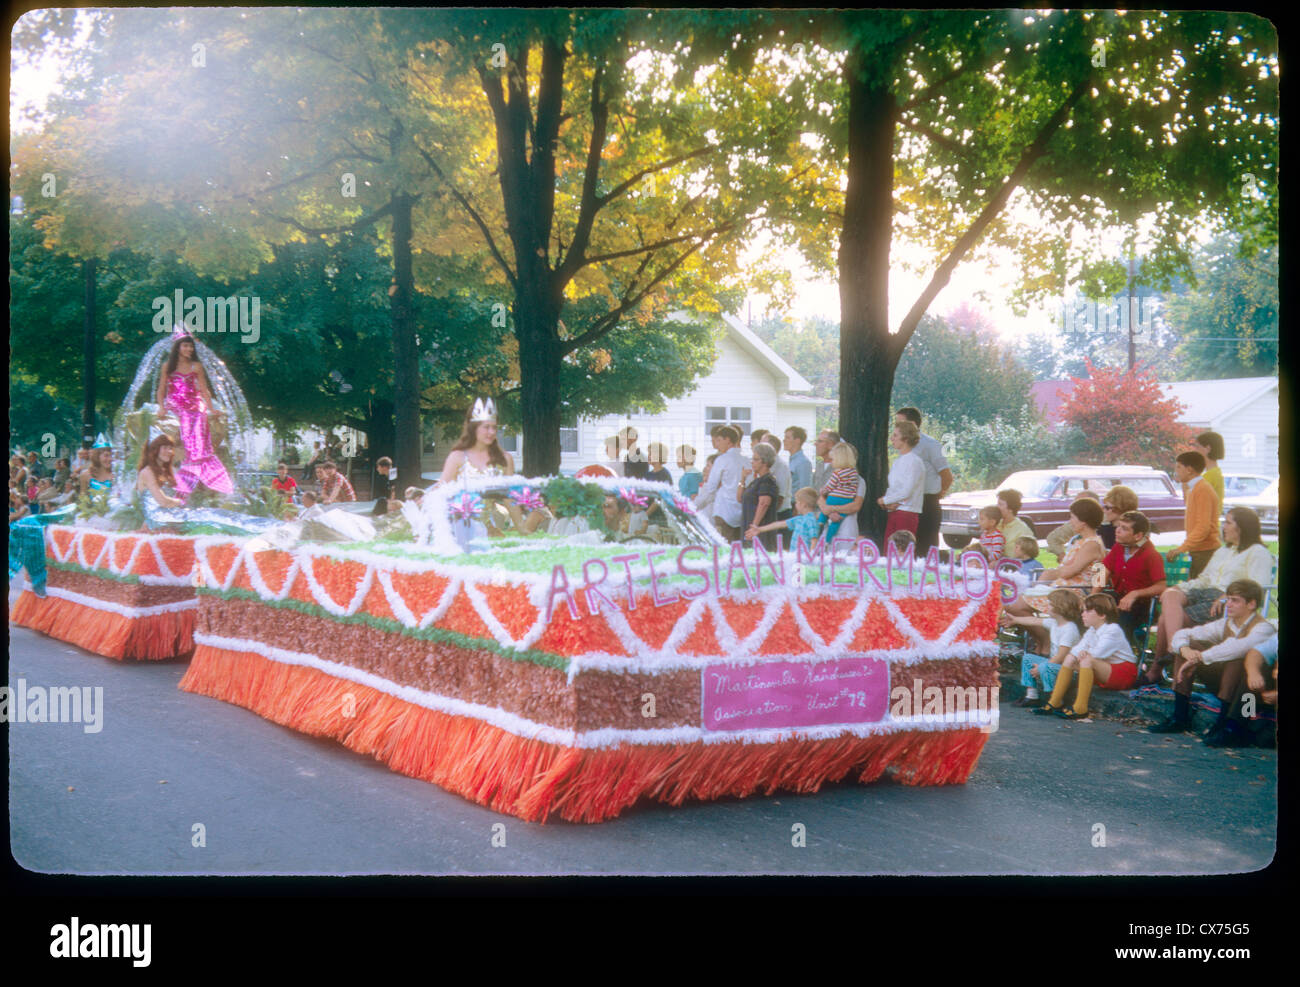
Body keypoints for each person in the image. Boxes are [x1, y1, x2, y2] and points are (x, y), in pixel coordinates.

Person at [1145, 507, 1274, 685]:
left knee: (1166, 620)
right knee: (1170, 594)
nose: (1224, 527)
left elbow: (1256, 587)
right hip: (1203, 593)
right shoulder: (1224, 551)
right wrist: (1180, 587)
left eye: (1228, 522)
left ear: (1242, 527)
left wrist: (1226, 597)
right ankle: (1173, 647)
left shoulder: (1258, 552)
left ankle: (1157, 669)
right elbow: (1205, 579)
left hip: (1224, 602)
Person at [1148, 580, 1275, 742]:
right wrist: (1185, 650)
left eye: (1234, 600)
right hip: (1227, 685)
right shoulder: (1226, 623)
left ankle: (1226, 725)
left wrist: (1200, 657)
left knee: (1235, 660)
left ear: (1251, 604)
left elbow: (1237, 648)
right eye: (1228, 599)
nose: (1228, 604)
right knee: (1188, 647)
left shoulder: (1264, 628)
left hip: (1254, 692)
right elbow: (1183, 634)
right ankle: (1179, 716)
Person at [1032, 593, 1137, 720]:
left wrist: (1085, 653)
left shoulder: (1113, 630)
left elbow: (1098, 653)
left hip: (1123, 673)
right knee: (1070, 658)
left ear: (1102, 615)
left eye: (1088, 611)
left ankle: (1080, 708)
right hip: (1105, 669)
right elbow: (1076, 650)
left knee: (1086, 659)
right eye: (1083, 611)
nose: (1083, 614)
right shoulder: (1092, 630)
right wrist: (1080, 653)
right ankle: (1054, 702)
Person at [155, 330, 234, 498]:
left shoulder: (196, 366)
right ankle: (194, 461)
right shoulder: (167, 367)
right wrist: (161, 407)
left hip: (194, 402)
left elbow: (204, 389)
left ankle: (196, 459)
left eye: (191, 346)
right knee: (187, 416)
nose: (189, 349)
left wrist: (211, 408)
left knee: (199, 414)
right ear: (177, 347)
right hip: (175, 403)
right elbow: (161, 389)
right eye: (185, 345)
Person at [1003, 588, 1085, 707]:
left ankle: (1055, 700)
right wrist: (1015, 620)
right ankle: (1031, 696)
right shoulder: (1055, 623)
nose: (1047, 606)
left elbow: (1061, 656)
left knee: (1047, 667)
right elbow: (1034, 620)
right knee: (1028, 658)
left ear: (1060, 607)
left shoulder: (1069, 629)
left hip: (1070, 671)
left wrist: (1040, 667)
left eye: (1050, 604)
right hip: (1056, 666)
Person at [895, 408, 954, 556]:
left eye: (900, 422)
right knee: (907, 547)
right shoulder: (902, 445)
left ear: (913, 424)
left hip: (927, 502)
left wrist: (937, 494)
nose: (896, 426)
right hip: (908, 503)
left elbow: (946, 475)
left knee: (926, 548)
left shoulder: (930, 445)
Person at [1100, 510, 1167, 640]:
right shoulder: (1118, 548)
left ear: (1138, 536)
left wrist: (1135, 593)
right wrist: (1093, 596)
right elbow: (1103, 571)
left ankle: (1119, 654)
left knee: (1121, 617)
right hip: (1118, 598)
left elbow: (1161, 586)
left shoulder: (1151, 555)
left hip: (1142, 605)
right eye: (1118, 526)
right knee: (1091, 610)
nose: (1117, 530)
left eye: (1124, 528)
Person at [1167, 450, 1221, 578]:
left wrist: (1181, 548)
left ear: (1189, 469)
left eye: (1179, 467)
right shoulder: (1195, 488)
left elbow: (1203, 527)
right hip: (1199, 551)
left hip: (1205, 552)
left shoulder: (1202, 489)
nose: (1176, 471)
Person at [439, 398, 515, 486]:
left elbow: (511, 496)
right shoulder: (457, 457)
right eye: (486, 427)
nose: (492, 432)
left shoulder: (505, 459)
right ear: (473, 429)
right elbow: (442, 490)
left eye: (494, 427)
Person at [694, 425, 745, 542]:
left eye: (718, 440)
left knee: (723, 548)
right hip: (741, 512)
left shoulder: (722, 460)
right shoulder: (746, 460)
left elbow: (711, 488)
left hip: (724, 513)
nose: (716, 445)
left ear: (727, 440)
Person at [877, 423, 924, 541]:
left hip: (907, 513)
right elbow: (893, 488)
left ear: (906, 439)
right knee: (890, 550)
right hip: (894, 511)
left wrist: (884, 500)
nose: (892, 438)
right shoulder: (898, 461)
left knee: (901, 551)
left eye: (895, 435)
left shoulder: (914, 461)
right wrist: (887, 504)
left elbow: (907, 491)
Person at [738, 441, 780, 550]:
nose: (752, 462)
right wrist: (742, 479)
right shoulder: (756, 480)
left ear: (765, 462)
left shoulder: (767, 480)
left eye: (756, 459)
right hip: (749, 527)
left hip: (760, 531)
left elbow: (764, 504)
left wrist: (754, 527)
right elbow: (739, 498)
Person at [749, 486, 823, 548]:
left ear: (803, 504)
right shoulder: (800, 519)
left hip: (804, 560)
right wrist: (760, 529)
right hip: (795, 557)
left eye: (797, 502)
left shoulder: (811, 520)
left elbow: (814, 540)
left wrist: (810, 558)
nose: (795, 505)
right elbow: (780, 524)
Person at [822, 440, 864, 541]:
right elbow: (820, 497)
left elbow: (855, 506)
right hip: (829, 523)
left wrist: (832, 509)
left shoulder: (859, 480)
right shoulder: (833, 475)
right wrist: (829, 512)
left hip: (847, 527)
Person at [1046, 491, 1103, 559]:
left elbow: (1099, 567)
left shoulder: (1092, 543)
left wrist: (1065, 564)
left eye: (1081, 504)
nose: (1071, 521)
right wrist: (1062, 557)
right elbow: (1052, 538)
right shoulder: (1078, 536)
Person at [135, 435, 186, 507]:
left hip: (166, 514)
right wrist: (180, 502)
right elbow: (163, 502)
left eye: (170, 448)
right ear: (155, 450)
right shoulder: (147, 472)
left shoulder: (165, 471)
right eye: (165, 448)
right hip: (152, 517)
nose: (169, 451)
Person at [760, 435, 792, 521]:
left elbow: (780, 498)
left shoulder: (781, 466)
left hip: (779, 515)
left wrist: (766, 517)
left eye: (762, 445)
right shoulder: (766, 464)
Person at [1193, 431, 1226, 506]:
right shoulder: (1215, 473)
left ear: (1208, 449)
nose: (1195, 450)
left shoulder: (1210, 476)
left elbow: (1194, 504)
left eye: (1197, 447)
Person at [784, 427, 812, 496]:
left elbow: (804, 490)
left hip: (796, 504)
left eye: (787, 438)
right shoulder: (792, 461)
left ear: (797, 441)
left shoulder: (803, 462)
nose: (784, 440)